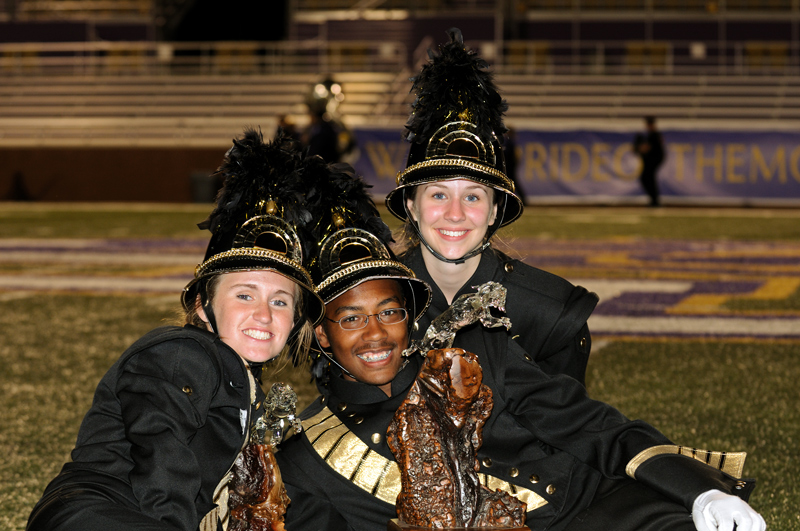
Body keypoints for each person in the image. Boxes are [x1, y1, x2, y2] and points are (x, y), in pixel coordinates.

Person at [274, 154, 765, 531]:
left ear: (411, 317)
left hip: (597, 509)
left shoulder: (475, 353)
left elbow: (596, 428)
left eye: (390, 312)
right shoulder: (305, 456)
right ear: (321, 333)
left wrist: (702, 494)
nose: (377, 333)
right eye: (351, 319)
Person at [25, 129, 326, 531]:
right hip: (94, 512)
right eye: (244, 295)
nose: (264, 314)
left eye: (280, 301)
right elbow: (160, 447)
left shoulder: (245, 384)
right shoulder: (184, 353)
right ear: (203, 306)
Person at [384, 28, 597, 387]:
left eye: (473, 196)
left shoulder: (550, 313)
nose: (455, 213)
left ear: (495, 210)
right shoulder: (368, 303)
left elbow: (568, 433)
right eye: (438, 194)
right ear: (411, 206)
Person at [633, 115, 665, 207]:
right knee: (648, 178)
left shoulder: (654, 135)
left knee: (647, 178)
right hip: (652, 160)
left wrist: (637, 148)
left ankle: (654, 201)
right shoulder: (653, 134)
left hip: (653, 160)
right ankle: (654, 200)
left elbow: (646, 148)